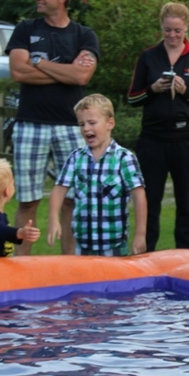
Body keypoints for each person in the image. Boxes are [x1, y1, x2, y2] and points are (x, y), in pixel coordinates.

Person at [5, 0, 99, 256]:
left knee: (72, 199)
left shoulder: (84, 34)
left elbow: (82, 77)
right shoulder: (25, 29)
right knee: (28, 200)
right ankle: (21, 264)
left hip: (71, 126)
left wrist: (40, 63)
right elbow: (18, 72)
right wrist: (66, 72)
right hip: (30, 125)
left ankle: (70, 265)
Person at [127, 2, 189, 251]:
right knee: (150, 200)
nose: (173, 35)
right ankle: (146, 253)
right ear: (161, 28)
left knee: (186, 201)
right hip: (152, 139)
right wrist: (152, 89)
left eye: (177, 30)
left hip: (186, 138)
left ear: (186, 28)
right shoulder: (148, 56)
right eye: (167, 30)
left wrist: (185, 91)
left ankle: (185, 254)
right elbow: (132, 98)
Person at [47, 94, 147, 256]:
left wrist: (140, 235)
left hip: (114, 244)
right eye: (81, 124)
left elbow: (139, 196)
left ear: (110, 124)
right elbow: (59, 190)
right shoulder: (76, 158)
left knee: (115, 274)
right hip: (83, 243)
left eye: (92, 123)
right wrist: (53, 219)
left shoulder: (124, 158)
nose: (86, 128)